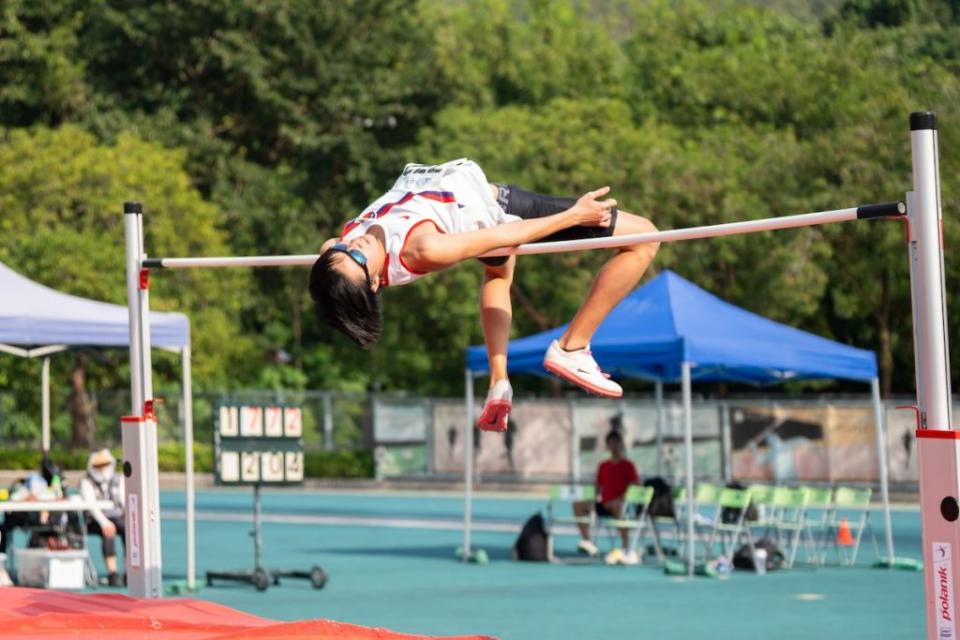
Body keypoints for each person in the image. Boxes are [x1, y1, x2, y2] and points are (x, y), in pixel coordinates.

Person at [309, 159, 659, 432]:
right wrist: (573, 216)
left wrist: (338, 258)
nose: (353, 245)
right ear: (373, 283)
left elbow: (333, 272)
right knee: (645, 237)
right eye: (356, 257)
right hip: (501, 216)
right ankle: (572, 347)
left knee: (497, 274)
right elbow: (507, 233)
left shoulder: (338, 251)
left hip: (484, 203)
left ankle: (499, 380)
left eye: (342, 250)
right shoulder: (422, 249)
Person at [572, 430, 641, 565]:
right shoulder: (603, 466)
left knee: (618, 506)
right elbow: (598, 487)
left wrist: (622, 498)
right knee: (577, 505)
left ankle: (625, 548)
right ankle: (588, 542)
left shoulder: (628, 465)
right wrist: (593, 500)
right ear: (607, 445)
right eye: (611, 443)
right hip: (603, 505)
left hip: (621, 504)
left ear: (621, 444)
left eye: (616, 442)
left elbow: (636, 485)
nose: (614, 446)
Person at [79, 449, 125, 586]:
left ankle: (129, 571)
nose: (102, 469)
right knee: (108, 533)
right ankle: (112, 573)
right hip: (95, 520)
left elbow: (123, 501)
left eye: (105, 465)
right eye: (98, 466)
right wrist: (104, 522)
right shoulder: (86, 482)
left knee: (129, 530)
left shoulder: (119, 479)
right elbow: (91, 505)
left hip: (116, 516)